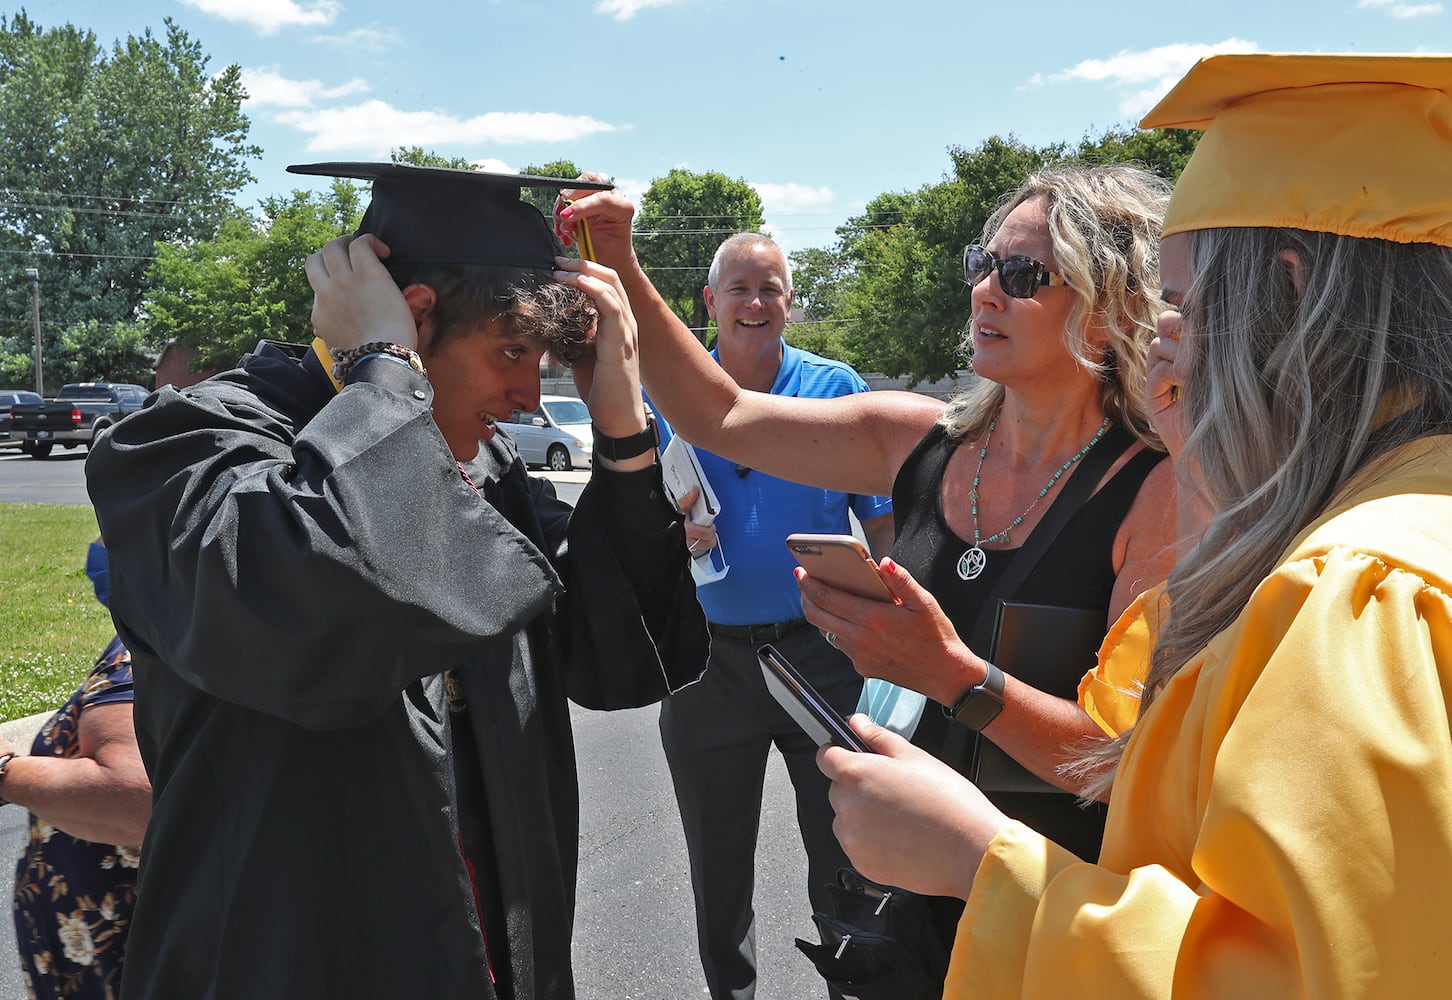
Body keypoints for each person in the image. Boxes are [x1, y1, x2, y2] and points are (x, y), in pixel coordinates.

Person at [814, 52, 1452, 997]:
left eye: (1189, 305)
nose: (1167, 342)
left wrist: (984, 862)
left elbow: (1306, 977)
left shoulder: (1360, 598)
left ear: (1284, 290)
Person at [84, 162, 708, 1000]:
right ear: (413, 316)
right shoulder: (186, 440)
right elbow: (305, 611)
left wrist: (624, 429)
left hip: (495, 940)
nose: (529, 396)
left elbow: (614, 655)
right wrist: (383, 370)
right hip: (294, 949)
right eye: (512, 352)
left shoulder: (484, 466)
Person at [558, 163, 1177, 858]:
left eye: (1023, 276)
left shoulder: (1158, 491)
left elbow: (1126, 759)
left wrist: (954, 676)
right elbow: (720, 414)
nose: (984, 293)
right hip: (895, 902)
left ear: (1109, 308)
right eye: (984, 264)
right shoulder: (916, 439)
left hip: (1036, 913)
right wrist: (616, 259)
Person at [653, 232, 894, 1000]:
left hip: (819, 653)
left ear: (791, 300)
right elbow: (628, 521)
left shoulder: (835, 387)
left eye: (771, 289)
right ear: (710, 302)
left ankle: (850, 987)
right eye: (740, 290)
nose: (755, 304)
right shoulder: (667, 393)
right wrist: (669, 534)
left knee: (845, 855)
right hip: (703, 665)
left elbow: (883, 517)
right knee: (717, 863)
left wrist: (886, 606)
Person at [3, 537, 150, 999]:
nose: (100, 546)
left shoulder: (139, 658)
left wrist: (5, 770)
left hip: (113, 953)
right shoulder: (162, 628)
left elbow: (129, 797)